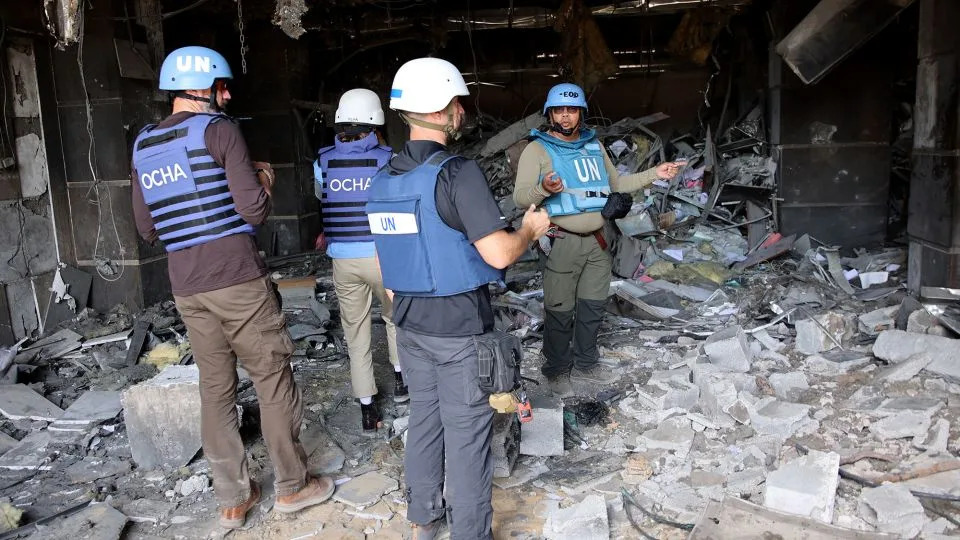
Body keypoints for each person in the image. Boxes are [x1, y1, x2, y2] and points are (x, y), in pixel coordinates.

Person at [130, 46, 334, 529]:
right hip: (237, 280)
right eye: (222, 86)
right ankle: (293, 485)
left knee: (215, 388)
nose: (227, 94)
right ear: (201, 89)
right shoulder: (219, 131)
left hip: (187, 286)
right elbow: (254, 212)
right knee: (271, 375)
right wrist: (262, 177)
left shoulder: (142, 145)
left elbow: (146, 229)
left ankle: (232, 499)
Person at [366, 57, 550, 539]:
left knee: (425, 423)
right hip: (459, 331)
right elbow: (498, 254)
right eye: (459, 102)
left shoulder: (383, 181)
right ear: (448, 109)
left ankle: (424, 523)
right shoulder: (457, 173)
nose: (462, 110)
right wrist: (529, 229)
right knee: (468, 436)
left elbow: (389, 269)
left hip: (409, 325)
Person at [513, 82, 683, 397]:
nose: (565, 117)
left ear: (581, 114)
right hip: (561, 241)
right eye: (559, 111)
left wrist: (655, 174)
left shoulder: (594, 146)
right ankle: (555, 370)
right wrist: (544, 189)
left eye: (572, 110)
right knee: (560, 311)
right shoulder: (537, 149)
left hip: (598, 241)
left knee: (593, 306)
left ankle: (587, 365)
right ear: (551, 114)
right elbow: (521, 196)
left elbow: (617, 182)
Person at [313, 88, 406, 433]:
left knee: (356, 333)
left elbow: (321, 197)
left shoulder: (322, 160)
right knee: (396, 319)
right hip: (384, 256)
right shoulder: (388, 158)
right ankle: (401, 382)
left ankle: (367, 409)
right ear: (375, 123)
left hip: (344, 261)